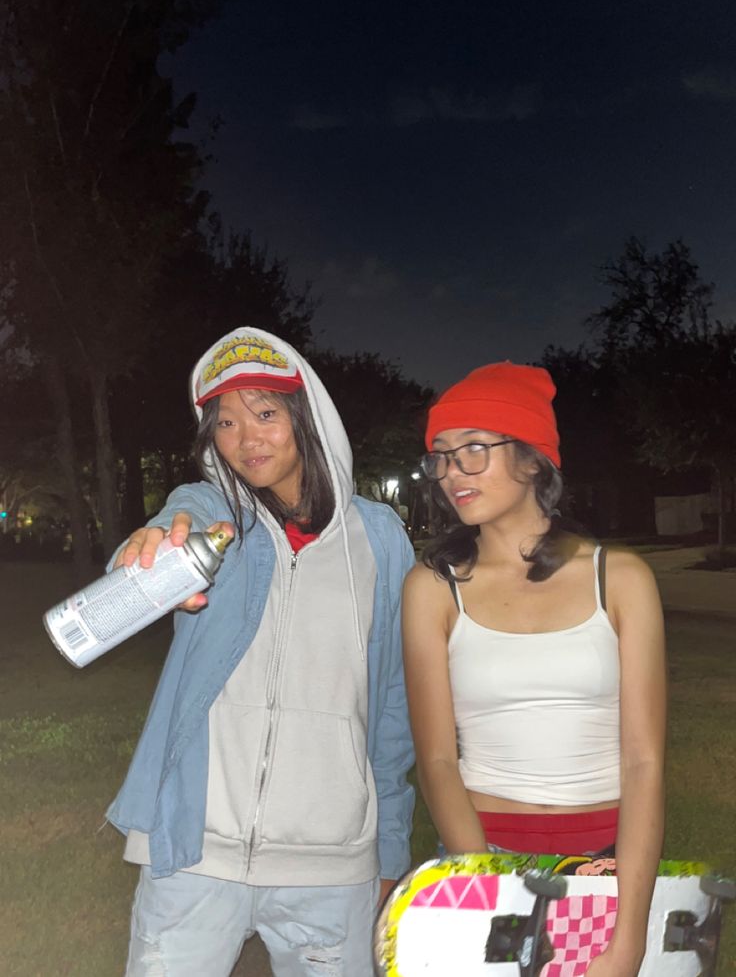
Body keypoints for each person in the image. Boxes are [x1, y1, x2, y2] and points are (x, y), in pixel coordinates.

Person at [107, 327, 416, 976]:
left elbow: (394, 707)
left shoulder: (381, 540)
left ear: (306, 416)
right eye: (224, 420)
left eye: (267, 413)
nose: (246, 438)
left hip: (331, 869)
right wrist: (159, 543)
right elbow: (174, 520)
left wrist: (390, 851)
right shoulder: (216, 521)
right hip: (194, 852)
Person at [402, 362, 666, 976]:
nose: (450, 474)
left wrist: (628, 937)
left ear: (531, 460)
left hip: (607, 859)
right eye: (440, 456)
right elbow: (437, 760)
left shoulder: (620, 577)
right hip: (481, 849)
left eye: (473, 450)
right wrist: (489, 894)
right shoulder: (434, 586)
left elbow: (646, 762)